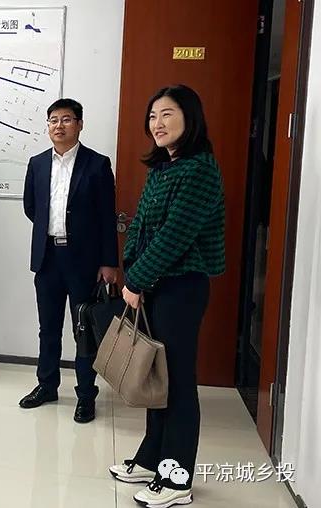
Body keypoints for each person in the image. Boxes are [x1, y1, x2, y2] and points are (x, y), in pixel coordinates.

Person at [108, 84, 225, 508]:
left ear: (190, 118)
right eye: (153, 116)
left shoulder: (200, 170)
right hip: (155, 283)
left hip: (182, 287)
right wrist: (134, 272)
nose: (157, 123)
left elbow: (175, 236)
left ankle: (177, 480)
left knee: (177, 382)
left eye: (167, 114)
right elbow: (141, 225)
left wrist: (135, 280)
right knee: (156, 375)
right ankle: (151, 458)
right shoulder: (163, 168)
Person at [19, 98, 119, 423]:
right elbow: (31, 208)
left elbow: (106, 217)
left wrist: (108, 262)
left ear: (79, 124)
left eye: (66, 119)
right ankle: (47, 386)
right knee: (47, 328)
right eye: (53, 120)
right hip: (47, 257)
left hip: (83, 261)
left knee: (84, 331)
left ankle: (86, 395)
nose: (58, 126)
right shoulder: (37, 163)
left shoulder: (97, 164)